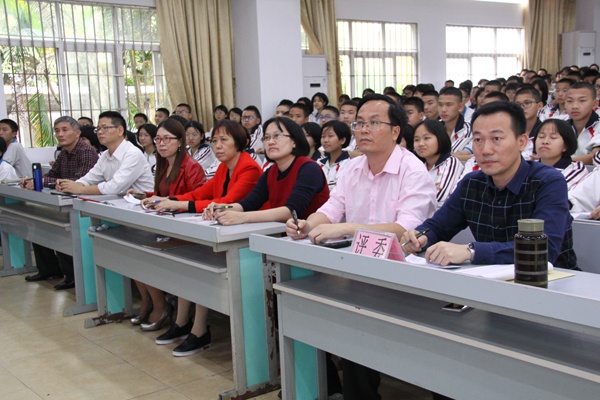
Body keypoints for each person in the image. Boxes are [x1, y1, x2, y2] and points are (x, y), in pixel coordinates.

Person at [286, 94, 437, 400]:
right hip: (360, 272)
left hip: (405, 277)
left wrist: (346, 228)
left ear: (395, 131)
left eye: (374, 123)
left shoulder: (413, 170)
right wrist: (307, 224)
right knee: (315, 307)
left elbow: (405, 230)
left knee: (354, 313)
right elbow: (331, 209)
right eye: (359, 123)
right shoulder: (353, 168)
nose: (363, 130)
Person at [401, 101, 578, 271]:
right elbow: (438, 227)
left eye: (496, 138)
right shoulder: (471, 184)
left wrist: (471, 251)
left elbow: (544, 250)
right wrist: (420, 236)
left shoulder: (548, 182)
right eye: (478, 139)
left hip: (553, 280)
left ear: (522, 142)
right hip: (488, 281)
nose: (485, 149)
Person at [141, 120, 262, 356]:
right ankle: (182, 323)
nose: (217, 146)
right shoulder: (224, 168)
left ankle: (198, 329)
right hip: (224, 231)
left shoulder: (248, 168)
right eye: (214, 140)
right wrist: (169, 201)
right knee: (188, 260)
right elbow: (200, 194)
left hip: (246, 239)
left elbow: (226, 202)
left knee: (196, 262)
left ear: (240, 142)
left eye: (224, 140)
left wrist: (179, 204)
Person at [130, 118, 206, 333]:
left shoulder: (192, 167)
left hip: (186, 230)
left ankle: (161, 306)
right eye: (158, 139)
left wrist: (165, 201)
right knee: (132, 249)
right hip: (166, 226)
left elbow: (195, 199)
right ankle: (150, 302)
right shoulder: (162, 164)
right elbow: (161, 195)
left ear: (180, 141)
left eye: (167, 139)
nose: (161, 144)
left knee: (145, 253)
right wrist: (144, 195)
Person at [206, 117, 329, 226]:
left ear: (294, 141)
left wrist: (242, 217)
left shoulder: (309, 169)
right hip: (284, 235)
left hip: (313, 236)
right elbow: (247, 204)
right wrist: (221, 207)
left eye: (277, 136)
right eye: (267, 138)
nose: (271, 142)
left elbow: (291, 211)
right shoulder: (271, 172)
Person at [22, 116, 99, 290]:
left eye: (65, 130)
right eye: (57, 131)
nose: (60, 134)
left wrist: (44, 182)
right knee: (39, 224)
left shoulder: (86, 151)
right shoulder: (64, 153)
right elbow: (53, 175)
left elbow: (78, 181)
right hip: (63, 201)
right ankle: (49, 270)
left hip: (82, 206)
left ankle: (71, 276)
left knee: (63, 232)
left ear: (77, 133)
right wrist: (35, 180)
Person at [56, 111, 154, 195]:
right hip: (120, 204)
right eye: (98, 129)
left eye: (105, 128)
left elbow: (114, 187)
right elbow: (89, 178)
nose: (99, 132)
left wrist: (80, 189)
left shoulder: (132, 154)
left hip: (142, 206)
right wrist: (69, 186)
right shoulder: (105, 155)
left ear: (120, 130)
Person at [413, 119, 464, 206]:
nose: (421, 144)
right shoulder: (417, 166)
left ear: (440, 138)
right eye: (416, 140)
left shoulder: (450, 162)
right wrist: (430, 190)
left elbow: (440, 198)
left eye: (426, 138)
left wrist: (417, 192)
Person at [535, 118, 588, 191]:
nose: (545, 141)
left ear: (565, 146)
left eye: (553, 137)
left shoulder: (575, 169)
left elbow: (555, 192)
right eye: (541, 136)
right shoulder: (529, 167)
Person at [565, 82, 600, 164]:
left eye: (582, 101)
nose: (574, 106)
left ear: (595, 104)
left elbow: (595, 157)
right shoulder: (561, 127)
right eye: (570, 101)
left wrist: (561, 161)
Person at [438, 87, 472, 161]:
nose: (443, 110)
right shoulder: (432, 128)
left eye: (449, 105)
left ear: (460, 107)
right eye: (440, 105)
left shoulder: (470, 130)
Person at [317, 121, 352, 191]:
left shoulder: (349, 164)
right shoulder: (318, 163)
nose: (325, 140)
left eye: (330, 136)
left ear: (342, 140)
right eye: (323, 136)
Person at [514, 86, 544, 160]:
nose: (522, 107)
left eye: (527, 103)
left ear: (539, 106)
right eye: (518, 104)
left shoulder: (545, 131)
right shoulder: (511, 130)